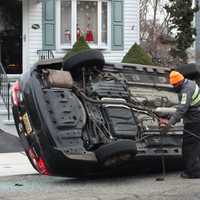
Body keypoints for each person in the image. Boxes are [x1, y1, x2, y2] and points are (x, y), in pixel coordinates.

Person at [163, 70, 200, 178]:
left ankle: (193, 172)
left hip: (194, 121)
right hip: (196, 118)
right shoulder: (190, 83)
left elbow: (182, 109)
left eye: (175, 85)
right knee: (196, 145)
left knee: (189, 146)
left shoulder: (186, 90)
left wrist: (170, 124)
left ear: (179, 82)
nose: (174, 87)